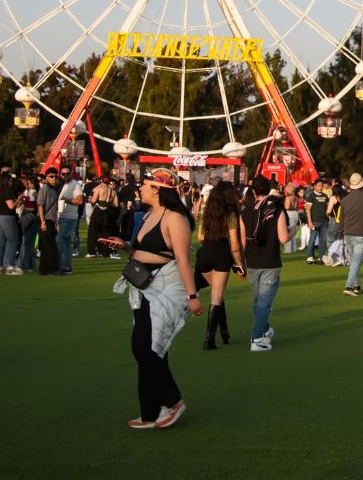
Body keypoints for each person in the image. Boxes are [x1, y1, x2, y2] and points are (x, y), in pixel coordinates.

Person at [101, 168, 202, 429]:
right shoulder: (148, 214)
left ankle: (173, 401)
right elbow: (143, 251)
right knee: (153, 347)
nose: (140, 189)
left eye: (145, 185)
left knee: (143, 347)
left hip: (166, 288)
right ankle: (150, 412)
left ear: (158, 189)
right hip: (143, 286)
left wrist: (192, 296)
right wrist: (125, 247)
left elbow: (181, 259)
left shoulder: (175, 218)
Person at [195, 181, 245, 349]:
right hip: (221, 254)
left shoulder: (207, 212)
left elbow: (200, 237)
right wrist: (240, 265)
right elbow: (235, 245)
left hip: (205, 254)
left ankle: (224, 331)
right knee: (216, 297)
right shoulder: (230, 214)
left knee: (218, 293)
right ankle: (209, 338)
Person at [241, 176, 289, 351]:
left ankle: (264, 329)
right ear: (268, 190)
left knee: (258, 300)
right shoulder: (276, 210)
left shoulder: (245, 211)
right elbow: (284, 238)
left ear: (253, 191)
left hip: (252, 260)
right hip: (270, 260)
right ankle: (257, 337)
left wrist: (240, 263)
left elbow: (242, 242)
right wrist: (293, 231)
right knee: (263, 302)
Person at [56, 171, 84, 275]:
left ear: (71, 174)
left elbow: (79, 201)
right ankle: (66, 266)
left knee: (60, 240)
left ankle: (62, 265)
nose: (65, 175)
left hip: (69, 217)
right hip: (62, 216)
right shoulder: (62, 185)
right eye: (63, 174)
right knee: (66, 242)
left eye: (67, 173)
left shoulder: (75, 185)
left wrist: (66, 200)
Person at [35, 171, 60, 275]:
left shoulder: (53, 189)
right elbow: (40, 205)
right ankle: (52, 268)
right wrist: (42, 222)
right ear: (47, 178)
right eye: (51, 176)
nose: (54, 178)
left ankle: (43, 269)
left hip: (51, 220)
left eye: (55, 176)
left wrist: (55, 221)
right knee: (50, 245)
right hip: (45, 219)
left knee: (45, 246)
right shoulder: (44, 189)